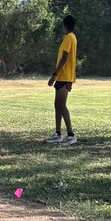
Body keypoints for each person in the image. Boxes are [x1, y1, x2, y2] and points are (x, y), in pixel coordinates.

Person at [43, 15, 78, 145]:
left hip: (64, 76)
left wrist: (54, 74)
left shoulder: (69, 37)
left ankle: (71, 135)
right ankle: (58, 134)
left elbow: (64, 57)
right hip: (63, 76)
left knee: (62, 104)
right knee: (57, 104)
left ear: (65, 26)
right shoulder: (70, 37)